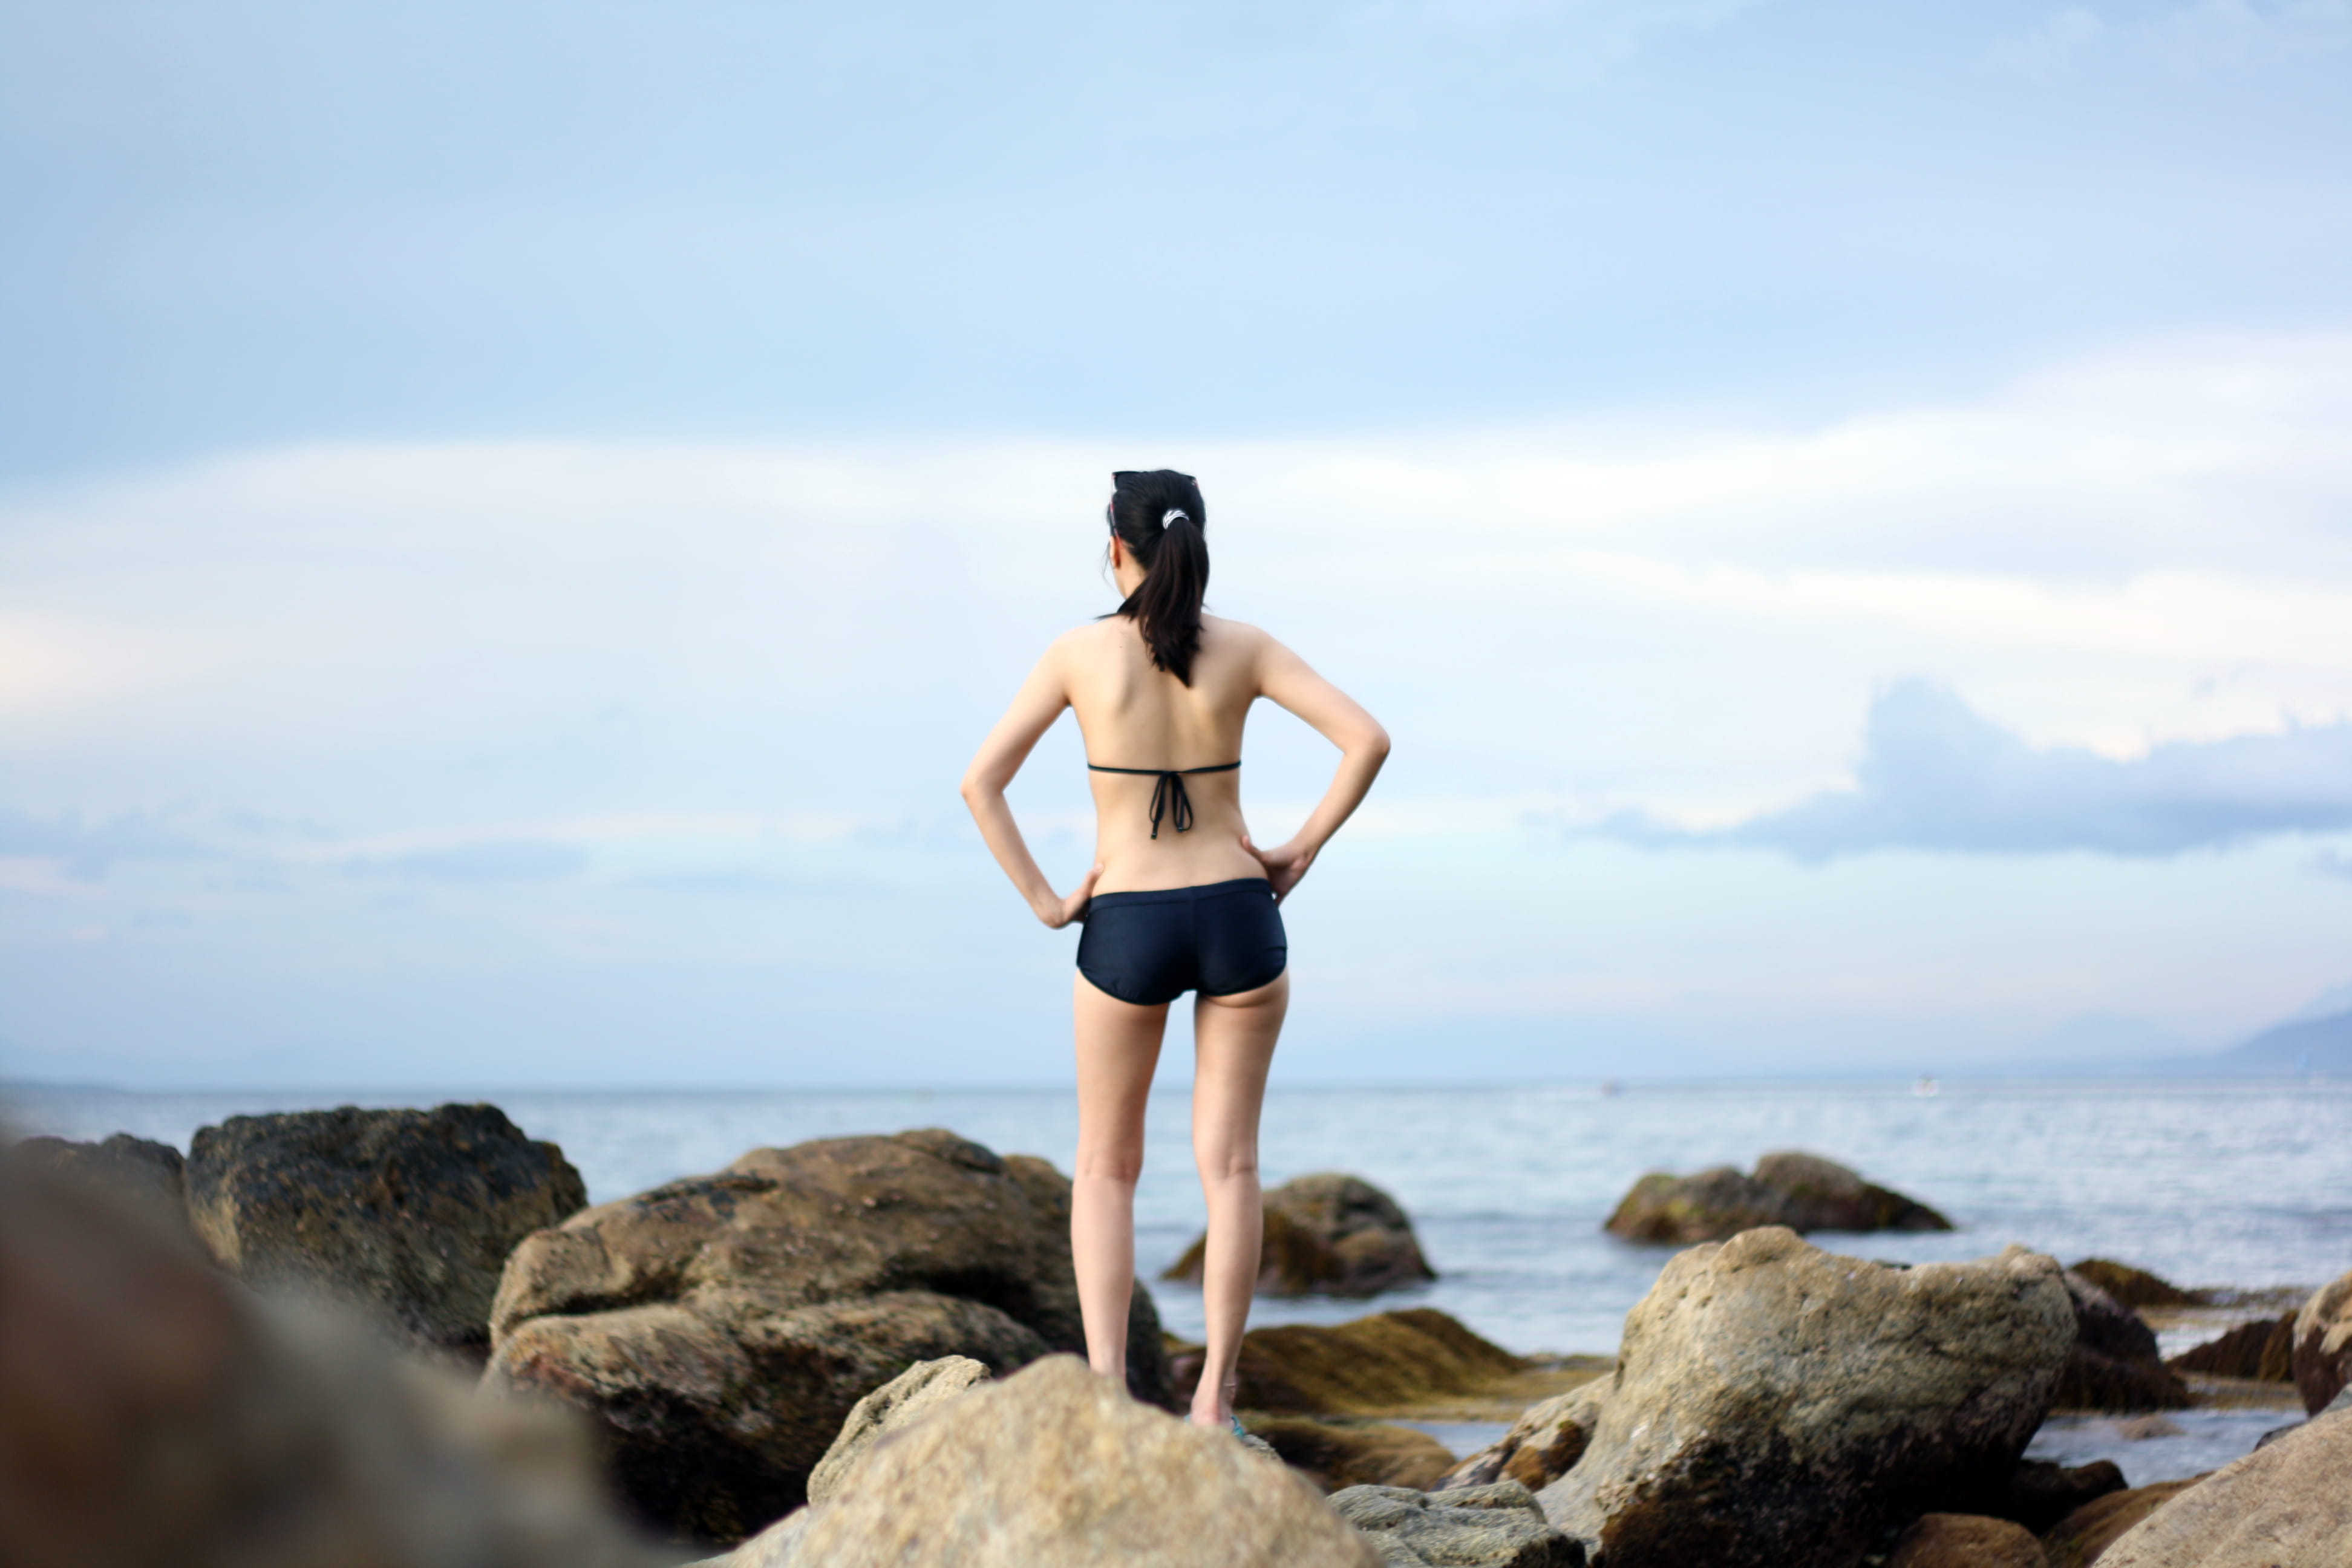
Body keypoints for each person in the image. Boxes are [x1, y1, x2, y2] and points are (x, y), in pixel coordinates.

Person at [960, 469, 1390, 1434]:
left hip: (1130, 919)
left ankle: (1111, 1400)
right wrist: (1300, 847)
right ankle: (1213, 1402)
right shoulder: (1245, 646)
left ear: (1114, 547)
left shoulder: (1078, 654)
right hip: (1241, 910)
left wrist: (1045, 899)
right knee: (1231, 1168)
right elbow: (1366, 739)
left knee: (1108, 1169)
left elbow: (981, 783)